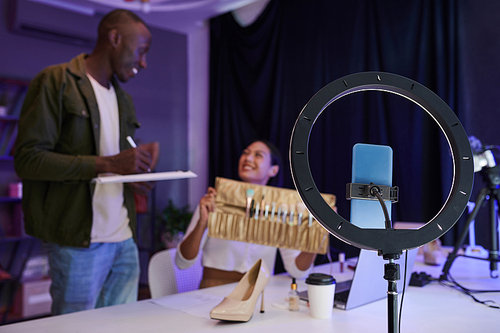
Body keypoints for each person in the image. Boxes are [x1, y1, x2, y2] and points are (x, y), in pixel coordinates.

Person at [14, 9, 159, 315]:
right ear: (115, 38)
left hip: (124, 239)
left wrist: (137, 175)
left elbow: (120, 163)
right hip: (77, 243)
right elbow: (28, 160)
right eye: (141, 52)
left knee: (121, 326)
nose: (144, 63)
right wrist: (107, 164)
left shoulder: (124, 100)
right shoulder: (55, 81)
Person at [176, 140, 316, 288]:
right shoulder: (213, 201)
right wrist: (202, 223)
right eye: (245, 153)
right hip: (213, 291)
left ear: (273, 170)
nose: (248, 158)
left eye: (258, 155)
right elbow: (182, 262)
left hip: (260, 295)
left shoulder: (280, 211)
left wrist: (316, 237)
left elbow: (298, 272)